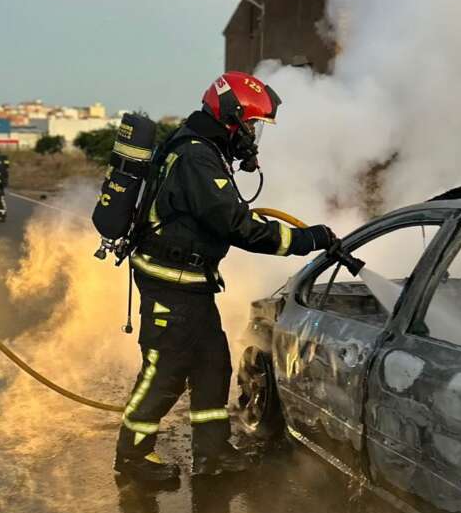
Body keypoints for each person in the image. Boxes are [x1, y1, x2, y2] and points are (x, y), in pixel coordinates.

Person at [114, 72, 337, 483]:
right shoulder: (198, 157)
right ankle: (131, 459)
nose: (251, 134)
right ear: (232, 118)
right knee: (164, 374)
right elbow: (239, 225)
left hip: (191, 285)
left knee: (212, 365)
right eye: (250, 124)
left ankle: (213, 453)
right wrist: (308, 239)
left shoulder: (203, 149)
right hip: (172, 285)